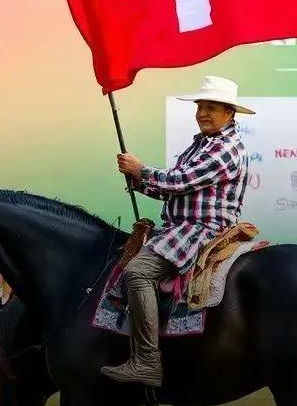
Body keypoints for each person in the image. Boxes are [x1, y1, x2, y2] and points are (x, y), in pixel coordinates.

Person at [100, 76, 252, 386]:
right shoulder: (203, 144)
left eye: (211, 108)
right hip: (181, 228)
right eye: (200, 107)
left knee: (138, 271)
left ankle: (146, 361)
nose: (202, 113)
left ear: (229, 113)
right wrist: (139, 182)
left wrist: (141, 170)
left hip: (201, 230)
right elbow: (174, 190)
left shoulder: (227, 148)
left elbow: (180, 181)